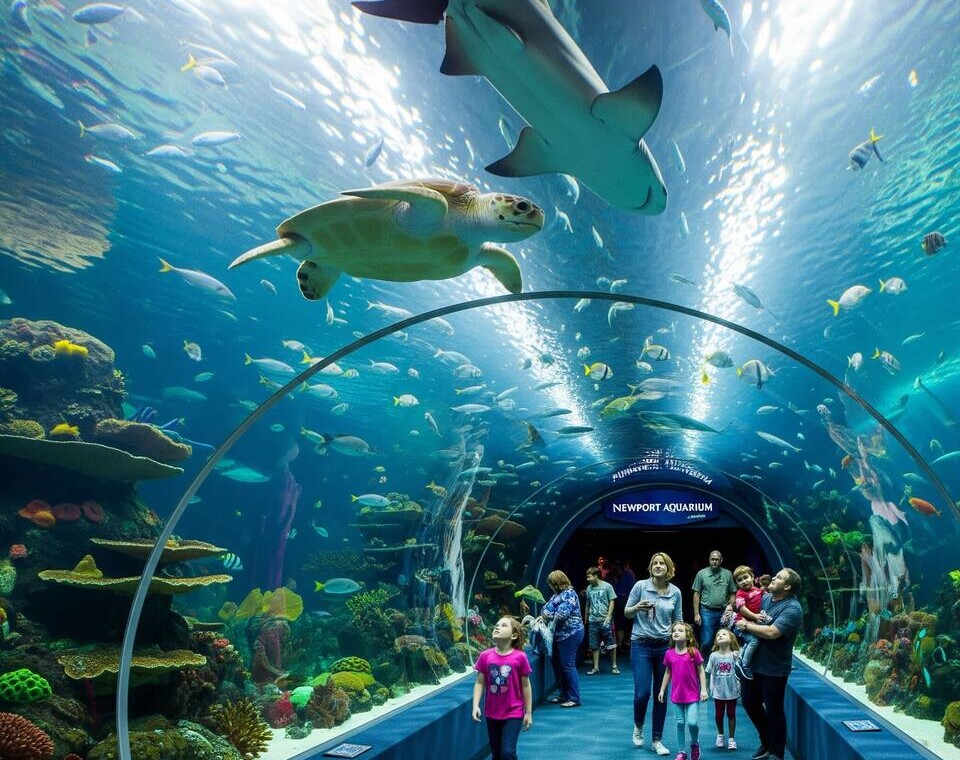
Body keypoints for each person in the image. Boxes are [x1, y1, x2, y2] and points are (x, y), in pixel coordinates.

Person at [734, 568, 803, 760]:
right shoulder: (765, 599)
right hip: (754, 665)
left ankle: (777, 752)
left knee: (774, 711)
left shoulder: (792, 608)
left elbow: (772, 632)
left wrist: (747, 625)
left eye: (779, 577)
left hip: (774, 669)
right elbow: (748, 609)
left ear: (787, 587)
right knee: (749, 702)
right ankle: (766, 741)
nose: (773, 577)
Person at [625, 552, 683, 755]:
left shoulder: (675, 592)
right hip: (640, 644)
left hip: (664, 647)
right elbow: (626, 612)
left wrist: (679, 645)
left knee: (661, 694)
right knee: (642, 693)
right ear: (650, 568)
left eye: (662, 563)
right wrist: (636, 607)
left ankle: (657, 740)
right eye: (655, 563)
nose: (658, 566)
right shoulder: (640, 586)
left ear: (669, 568)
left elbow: (678, 620)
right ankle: (638, 725)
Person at [473, 616, 533, 760]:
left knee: (507, 753)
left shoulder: (520, 657)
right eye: (497, 624)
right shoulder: (485, 656)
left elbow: (526, 685)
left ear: (514, 635)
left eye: (504, 625)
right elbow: (479, 683)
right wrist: (475, 705)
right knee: (497, 754)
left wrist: (528, 712)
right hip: (492, 713)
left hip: (513, 712)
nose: (497, 627)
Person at [658, 622, 708, 760]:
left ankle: (694, 743)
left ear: (688, 636)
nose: (676, 632)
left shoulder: (693, 652)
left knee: (692, 722)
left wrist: (704, 689)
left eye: (680, 630)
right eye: (674, 630)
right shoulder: (669, 653)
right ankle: (681, 751)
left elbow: (701, 671)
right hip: (677, 695)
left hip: (692, 695)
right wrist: (662, 690)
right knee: (680, 723)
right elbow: (667, 673)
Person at [539, 570, 584, 708]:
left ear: (557, 583)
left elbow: (562, 614)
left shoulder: (569, 594)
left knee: (568, 665)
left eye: (551, 584)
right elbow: (544, 609)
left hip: (571, 633)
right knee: (558, 664)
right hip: (559, 635)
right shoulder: (556, 595)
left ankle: (574, 698)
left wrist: (548, 614)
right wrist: (548, 613)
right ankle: (564, 694)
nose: (550, 586)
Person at [727, 565, 768, 681]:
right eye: (739, 580)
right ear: (737, 583)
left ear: (752, 577)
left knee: (751, 641)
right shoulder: (740, 594)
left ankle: (741, 658)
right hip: (741, 625)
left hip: (752, 624)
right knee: (754, 640)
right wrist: (755, 616)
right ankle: (744, 665)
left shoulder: (758, 590)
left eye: (746, 577)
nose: (744, 581)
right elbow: (742, 609)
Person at [691, 550, 736, 656]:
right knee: (707, 641)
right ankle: (703, 664)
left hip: (724, 612)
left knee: (723, 641)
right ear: (709, 560)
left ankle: (720, 664)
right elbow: (696, 594)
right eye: (712, 559)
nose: (714, 561)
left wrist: (730, 606)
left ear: (721, 560)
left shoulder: (728, 574)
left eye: (717, 559)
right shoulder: (701, 573)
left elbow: (733, 592)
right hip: (707, 611)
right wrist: (696, 614)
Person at [706, 628, 741, 751]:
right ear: (716, 641)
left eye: (724, 634)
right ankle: (720, 735)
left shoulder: (735, 655)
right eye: (718, 635)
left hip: (732, 690)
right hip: (718, 691)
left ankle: (731, 738)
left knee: (731, 714)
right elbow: (708, 672)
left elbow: (741, 669)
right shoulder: (713, 656)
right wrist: (707, 689)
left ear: (731, 639)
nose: (720, 636)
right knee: (718, 715)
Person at [585, 566, 619, 675]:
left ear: (596, 576)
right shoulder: (589, 588)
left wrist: (608, 616)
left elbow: (612, 601)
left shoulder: (607, 586)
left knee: (611, 644)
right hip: (593, 620)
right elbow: (588, 603)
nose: (587, 579)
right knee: (594, 645)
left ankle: (614, 666)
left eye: (589, 577)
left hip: (605, 620)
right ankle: (595, 667)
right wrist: (586, 617)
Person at [614, 559, 637, 651]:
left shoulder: (626, 573)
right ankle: (623, 643)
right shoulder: (628, 573)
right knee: (625, 623)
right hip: (624, 600)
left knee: (622, 623)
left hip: (621, 600)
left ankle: (621, 644)